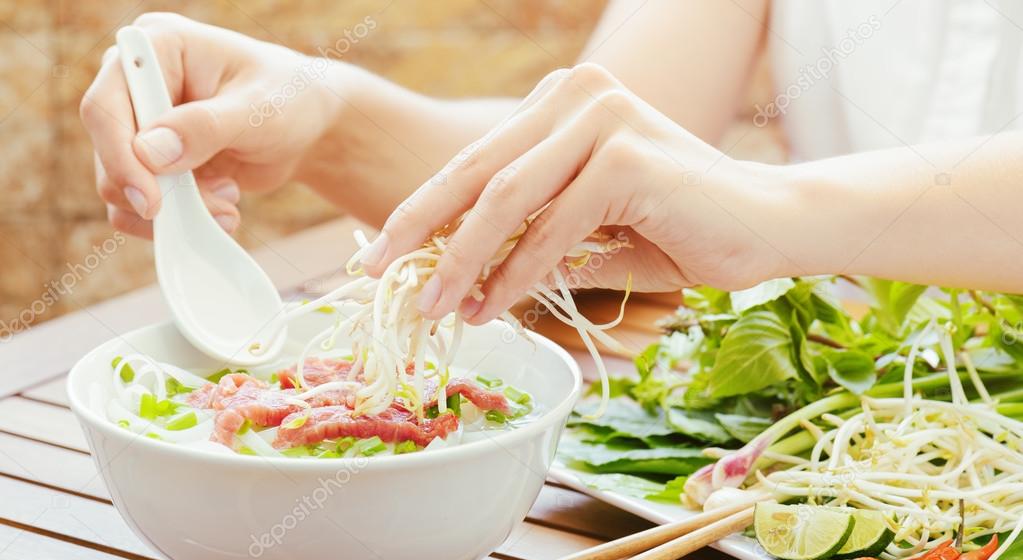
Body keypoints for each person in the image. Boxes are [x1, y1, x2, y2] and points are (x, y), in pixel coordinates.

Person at [81, 1, 1023, 329]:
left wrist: (779, 214)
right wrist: (323, 111)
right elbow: (608, 152)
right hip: (836, 443)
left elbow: (739, 205)